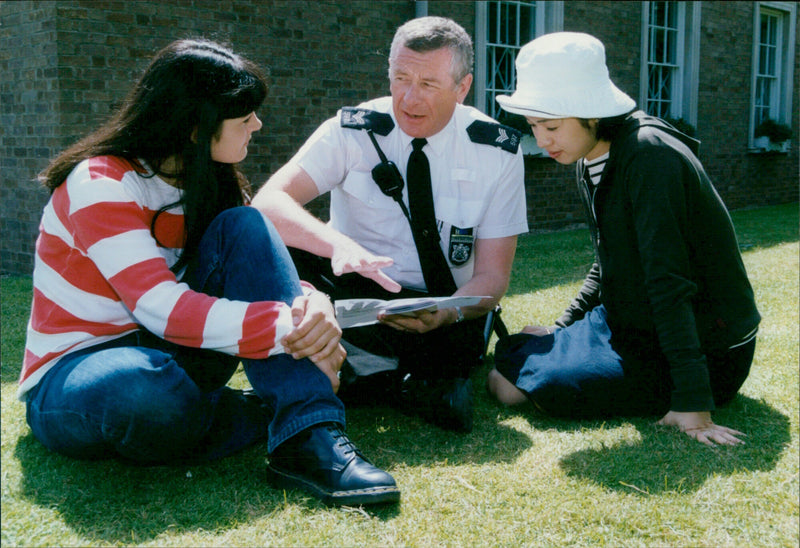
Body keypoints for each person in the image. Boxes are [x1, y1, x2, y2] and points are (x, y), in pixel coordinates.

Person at [18, 39, 400, 506]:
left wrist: (312, 302)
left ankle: (308, 432)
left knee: (246, 222)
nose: (257, 125)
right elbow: (159, 307)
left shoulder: (208, 178)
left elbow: (259, 271)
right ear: (197, 129)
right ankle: (255, 414)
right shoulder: (100, 182)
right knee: (142, 390)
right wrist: (293, 329)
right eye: (244, 118)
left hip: (174, 354)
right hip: (80, 372)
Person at [251, 16, 528, 433]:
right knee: (270, 246)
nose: (409, 98)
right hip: (359, 298)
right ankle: (402, 383)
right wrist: (336, 245)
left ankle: (370, 377)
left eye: (429, 84)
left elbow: (491, 279)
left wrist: (446, 313)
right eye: (400, 78)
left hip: (444, 308)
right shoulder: (352, 131)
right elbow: (269, 202)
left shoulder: (497, 150)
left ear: (463, 87)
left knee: (454, 342)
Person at [488, 32, 761, 446]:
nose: (542, 141)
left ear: (592, 114)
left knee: (513, 385)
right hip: (629, 323)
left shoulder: (650, 156)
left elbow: (670, 282)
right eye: (533, 126)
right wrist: (560, 330)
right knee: (509, 364)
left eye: (551, 126)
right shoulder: (590, 155)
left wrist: (692, 401)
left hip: (708, 348)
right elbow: (610, 259)